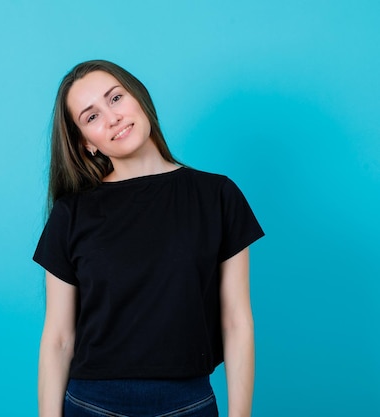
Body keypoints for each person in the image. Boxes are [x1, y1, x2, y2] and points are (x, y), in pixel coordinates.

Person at [33, 60, 264, 417]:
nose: (112, 118)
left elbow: (236, 320)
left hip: (188, 403)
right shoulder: (71, 215)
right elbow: (58, 338)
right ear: (86, 145)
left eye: (115, 98)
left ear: (138, 98)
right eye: (91, 117)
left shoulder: (217, 195)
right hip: (92, 405)